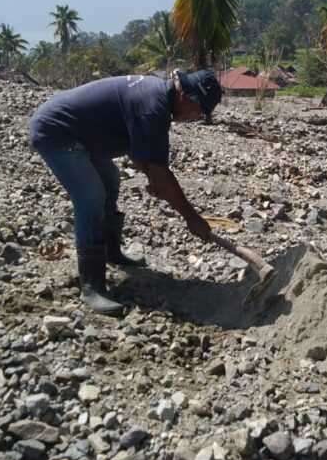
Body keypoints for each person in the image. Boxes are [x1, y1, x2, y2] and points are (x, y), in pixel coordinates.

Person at [29, 69, 222, 317]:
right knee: (91, 196)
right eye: (199, 111)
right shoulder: (153, 107)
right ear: (185, 95)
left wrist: (153, 177)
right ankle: (91, 286)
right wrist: (191, 218)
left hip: (82, 133)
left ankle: (111, 251)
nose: (195, 117)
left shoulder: (155, 96)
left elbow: (138, 148)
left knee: (110, 178)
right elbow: (160, 169)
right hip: (57, 130)